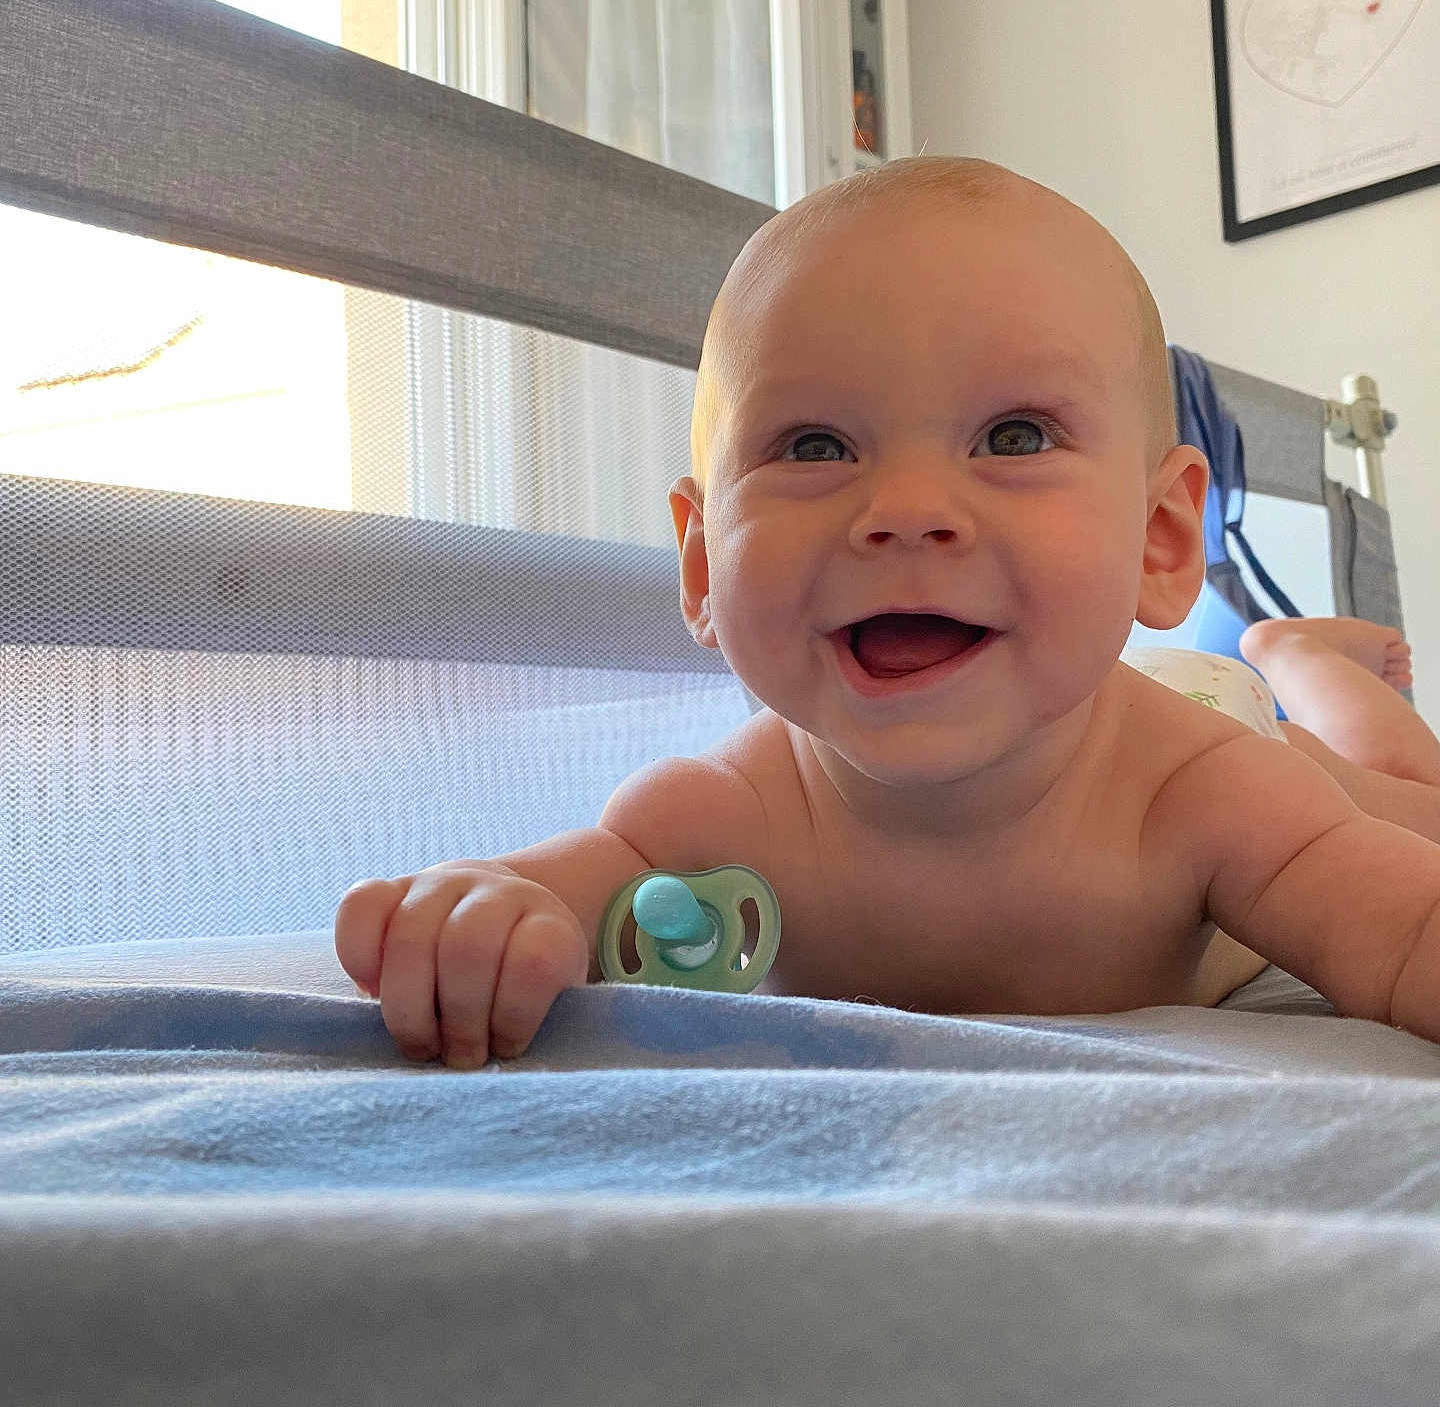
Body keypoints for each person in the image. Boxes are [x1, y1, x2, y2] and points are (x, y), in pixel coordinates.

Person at [335, 156, 1440, 1068]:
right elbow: (545, 892)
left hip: (1211, 709)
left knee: (1404, 795)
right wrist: (487, 912)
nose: (905, 512)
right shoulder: (720, 815)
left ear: (1159, 540)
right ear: (704, 565)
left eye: (1013, 437)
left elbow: (1402, 937)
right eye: (815, 446)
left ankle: (1297, 652)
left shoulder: (1209, 795)